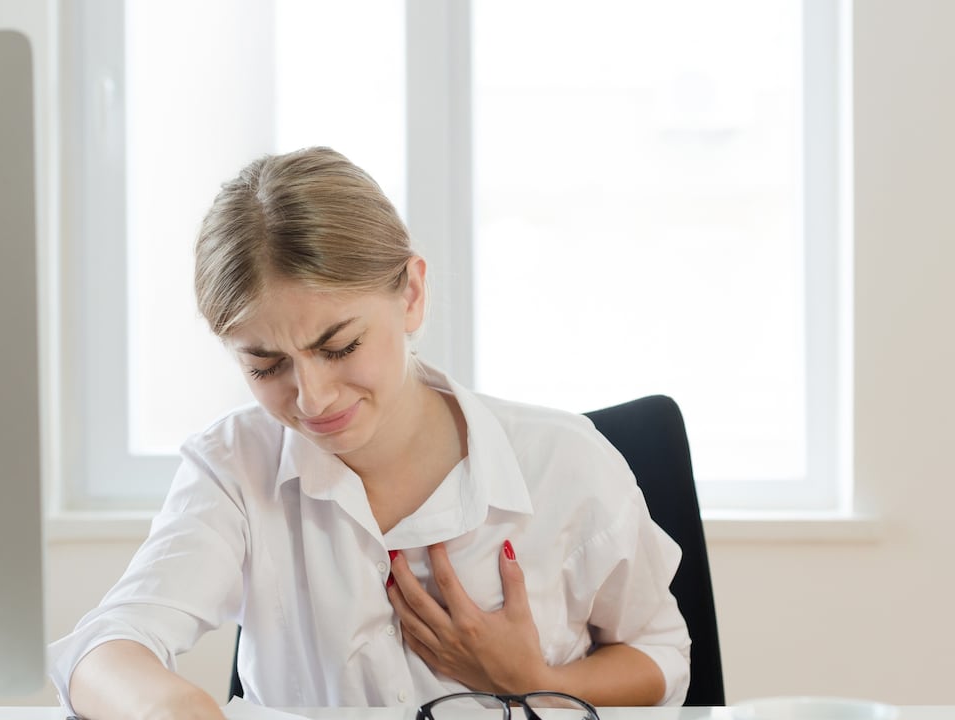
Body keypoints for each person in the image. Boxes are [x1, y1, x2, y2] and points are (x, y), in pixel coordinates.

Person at [48, 147, 690, 720]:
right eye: (265, 366)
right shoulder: (235, 466)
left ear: (410, 294)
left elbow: (661, 652)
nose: (313, 398)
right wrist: (167, 707)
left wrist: (536, 682)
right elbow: (103, 646)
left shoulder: (566, 462)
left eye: (340, 346)